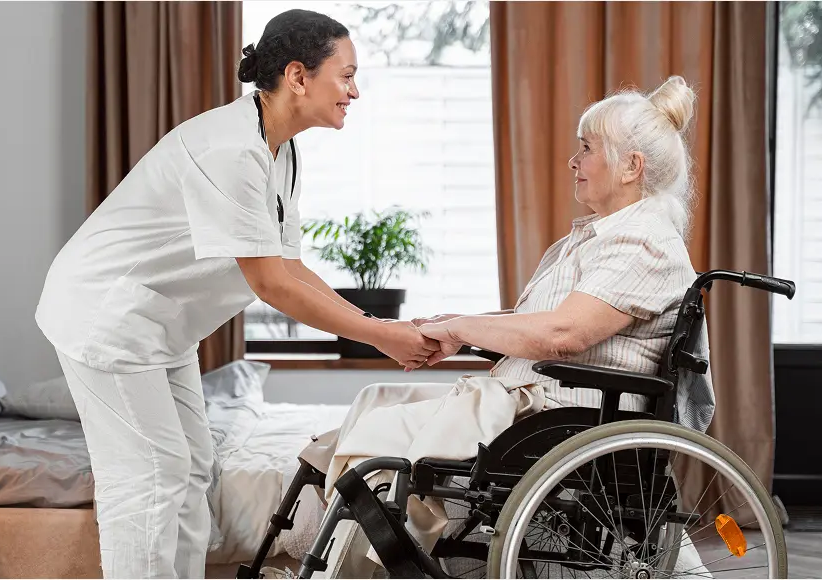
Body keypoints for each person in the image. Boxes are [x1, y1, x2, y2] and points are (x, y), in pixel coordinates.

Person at [35, 9, 438, 579]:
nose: (355, 90)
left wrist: (376, 325)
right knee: (151, 473)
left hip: (164, 324)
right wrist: (381, 336)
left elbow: (291, 267)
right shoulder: (232, 149)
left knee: (195, 467)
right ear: (298, 76)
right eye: (346, 75)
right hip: (108, 314)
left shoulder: (280, 149)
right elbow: (270, 284)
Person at [297, 75, 716, 578]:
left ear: (632, 166)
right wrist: (450, 325)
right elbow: (533, 322)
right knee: (374, 400)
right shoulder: (596, 238)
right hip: (532, 399)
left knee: (373, 441)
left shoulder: (643, 243)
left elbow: (563, 335)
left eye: (586, 149)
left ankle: (346, 572)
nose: (573, 162)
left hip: (558, 412)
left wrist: (460, 330)